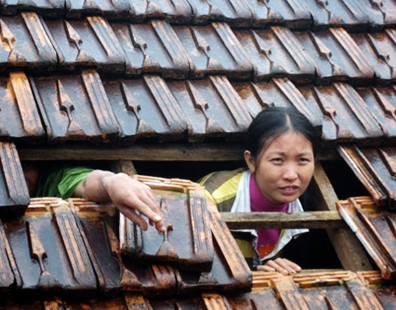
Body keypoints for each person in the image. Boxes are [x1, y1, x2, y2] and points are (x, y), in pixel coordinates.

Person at [198, 106, 321, 274]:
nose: (291, 175)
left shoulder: (309, 205)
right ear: (251, 161)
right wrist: (257, 277)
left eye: (303, 160)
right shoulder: (210, 200)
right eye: (277, 160)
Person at [23, 163, 166, 233]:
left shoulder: (49, 181)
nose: (17, 176)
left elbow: (83, 182)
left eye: (25, 165)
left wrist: (111, 181)